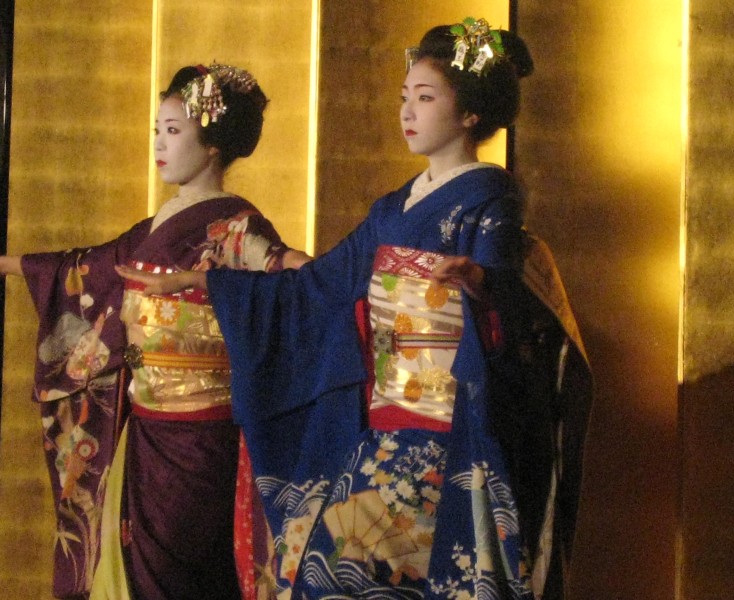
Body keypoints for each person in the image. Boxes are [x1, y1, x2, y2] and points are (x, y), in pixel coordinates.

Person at [119, 18, 592, 599]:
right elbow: (318, 286)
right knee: (329, 576)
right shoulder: (391, 210)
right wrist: (207, 281)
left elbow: (513, 298)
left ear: (470, 112)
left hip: (452, 429)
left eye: (425, 98)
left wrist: (480, 282)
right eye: (404, 97)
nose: (407, 111)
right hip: (387, 427)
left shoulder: (489, 200)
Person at [0, 63, 309, 599]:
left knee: (183, 575)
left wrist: (216, 280)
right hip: (145, 429)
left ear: (211, 144)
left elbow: (293, 272)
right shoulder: (159, 225)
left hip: (202, 435)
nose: (159, 144)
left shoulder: (236, 226)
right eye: (156, 131)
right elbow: (86, 269)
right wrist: (7, 265)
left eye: (173, 130)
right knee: (139, 570)